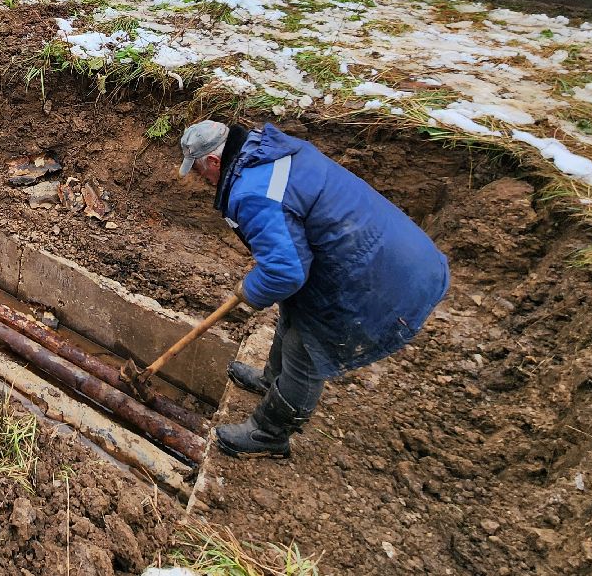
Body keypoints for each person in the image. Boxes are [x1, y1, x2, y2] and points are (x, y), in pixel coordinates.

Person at [178, 119, 449, 459]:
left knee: (305, 349)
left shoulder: (250, 191)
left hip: (373, 278)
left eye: (202, 172)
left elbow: (285, 272)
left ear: (215, 161)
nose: (204, 180)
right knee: (293, 311)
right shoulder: (265, 150)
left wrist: (250, 290)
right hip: (373, 249)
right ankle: (271, 381)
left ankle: (269, 434)